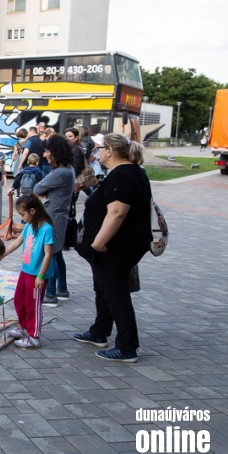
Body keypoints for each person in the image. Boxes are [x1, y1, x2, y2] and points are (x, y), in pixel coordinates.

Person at [73, 133, 152, 363]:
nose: (97, 152)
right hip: (115, 246)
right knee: (104, 289)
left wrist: (98, 242)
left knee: (116, 293)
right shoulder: (129, 172)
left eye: (100, 148)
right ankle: (99, 331)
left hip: (115, 247)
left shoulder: (123, 175)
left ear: (110, 151)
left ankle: (127, 347)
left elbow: (117, 213)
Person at [1, 194, 55, 349]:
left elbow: (48, 254)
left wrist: (40, 276)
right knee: (19, 300)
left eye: (23, 215)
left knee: (33, 305)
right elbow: (17, 242)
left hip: (37, 275)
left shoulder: (47, 229)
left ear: (32, 211)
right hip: (26, 271)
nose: (23, 219)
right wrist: (2, 255)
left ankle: (34, 336)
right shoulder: (29, 227)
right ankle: (24, 326)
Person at [34, 135, 76, 307]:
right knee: (57, 254)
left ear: (56, 152)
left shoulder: (60, 173)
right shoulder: (69, 169)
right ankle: (62, 289)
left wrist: (45, 194)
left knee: (50, 254)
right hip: (60, 215)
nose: (45, 155)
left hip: (54, 217)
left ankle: (50, 293)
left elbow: (37, 188)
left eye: (48, 151)